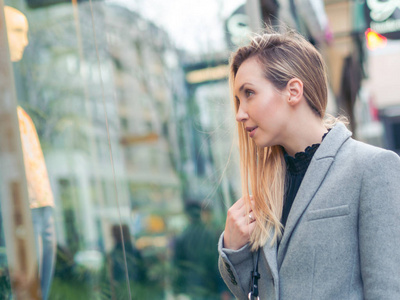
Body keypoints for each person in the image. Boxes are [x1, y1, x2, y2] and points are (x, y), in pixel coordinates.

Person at [218, 28, 400, 300]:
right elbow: (256, 291)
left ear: (292, 91)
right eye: (237, 100)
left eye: (249, 93)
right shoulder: (266, 191)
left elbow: (387, 291)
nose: (240, 114)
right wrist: (234, 248)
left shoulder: (372, 167)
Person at [5, 6, 57, 300]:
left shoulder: (13, 99)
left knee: (38, 287)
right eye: (16, 32)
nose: (24, 41)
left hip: (40, 204)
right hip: (21, 207)